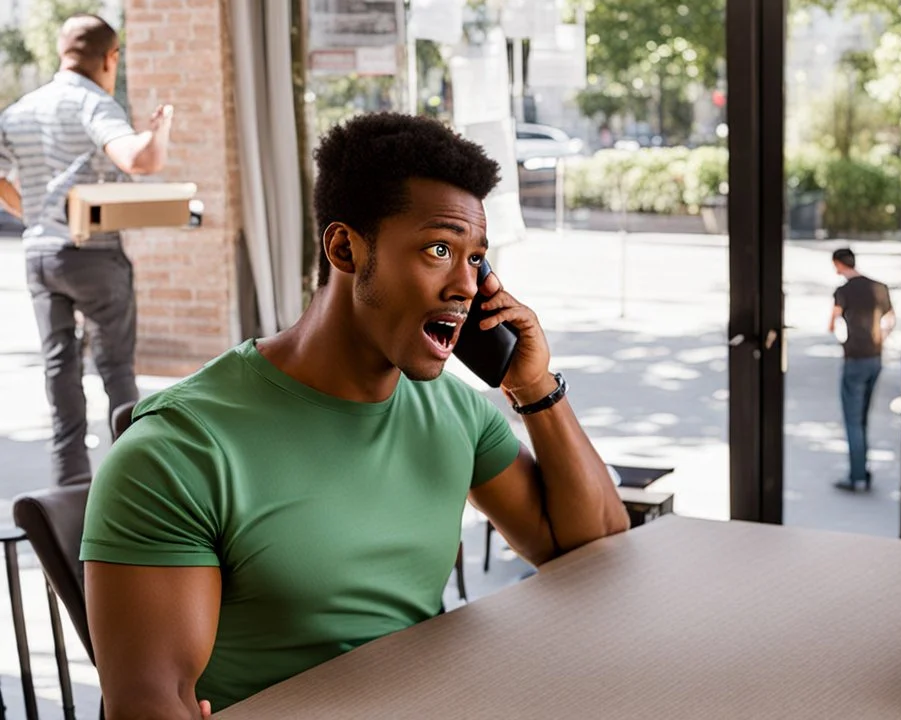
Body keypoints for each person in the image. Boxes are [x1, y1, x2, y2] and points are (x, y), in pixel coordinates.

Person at [81, 112, 631, 717]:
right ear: (345, 248)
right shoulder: (179, 451)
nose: (467, 286)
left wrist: (534, 386)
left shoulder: (454, 411)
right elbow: (149, 702)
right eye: (439, 249)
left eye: (476, 259)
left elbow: (588, 550)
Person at [0, 14, 173, 486]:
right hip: (93, 255)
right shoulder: (93, 104)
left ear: (62, 53)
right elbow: (140, 160)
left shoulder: (20, 110)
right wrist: (156, 135)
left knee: (60, 370)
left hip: (40, 256)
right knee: (116, 367)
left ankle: (71, 488)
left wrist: (33, 212)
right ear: (109, 58)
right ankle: (134, 483)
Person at [828, 248, 895, 491]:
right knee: (863, 417)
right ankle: (862, 471)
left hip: (854, 358)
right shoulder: (879, 288)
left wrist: (846, 341)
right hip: (875, 357)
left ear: (838, 264)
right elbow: (890, 319)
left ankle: (857, 475)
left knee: (853, 420)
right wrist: (880, 339)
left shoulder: (843, 291)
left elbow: (833, 322)